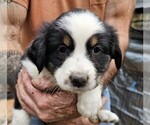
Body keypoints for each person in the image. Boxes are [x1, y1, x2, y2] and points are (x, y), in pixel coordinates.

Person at [6, 0, 135, 125]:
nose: (79, 75)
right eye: (62, 50)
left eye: (96, 50)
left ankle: (97, 113)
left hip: (96, 91)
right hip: (35, 104)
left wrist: (96, 88)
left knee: (89, 110)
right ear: (41, 51)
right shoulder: (33, 66)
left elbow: (119, 27)